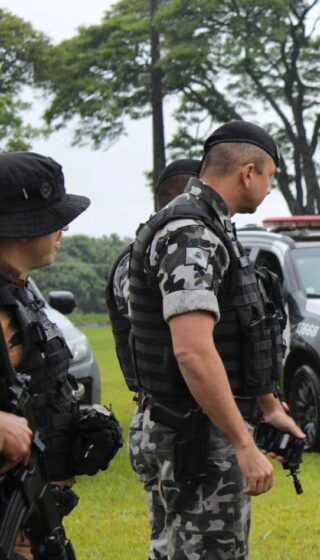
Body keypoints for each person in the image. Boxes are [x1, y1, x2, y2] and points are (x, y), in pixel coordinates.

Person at [128, 121, 304, 559]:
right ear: (248, 172)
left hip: (202, 424)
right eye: (270, 178)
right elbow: (193, 350)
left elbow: (240, 328)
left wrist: (266, 407)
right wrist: (244, 444)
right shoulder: (190, 233)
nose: (268, 189)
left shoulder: (213, 226)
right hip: (196, 433)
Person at [105, 158, 200, 560]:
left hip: (164, 414)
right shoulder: (146, 260)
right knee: (177, 537)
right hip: (166, 415)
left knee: (170, 535)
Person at [0, 151, 91, 558]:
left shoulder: (20, 292)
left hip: (28, 513)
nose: (64, 227)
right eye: (53, 218)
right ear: (21, 227)